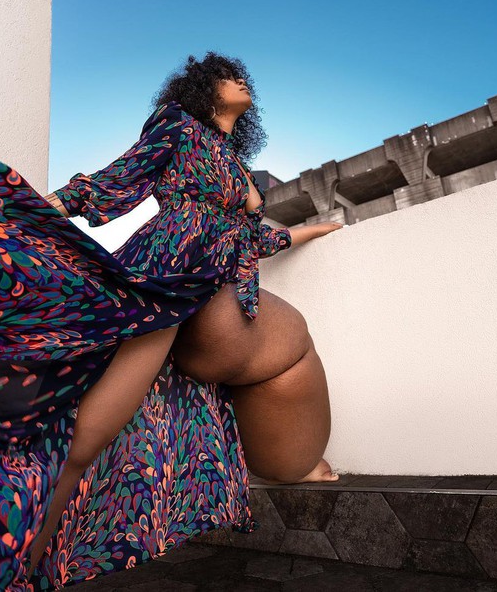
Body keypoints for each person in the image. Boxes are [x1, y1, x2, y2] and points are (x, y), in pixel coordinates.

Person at [30, 51, 341, 572]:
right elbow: (117, 178)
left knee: (104, 429)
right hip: (167, 272)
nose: (241, 80)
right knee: (87, 436)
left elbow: (247, 239)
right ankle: (17, 564)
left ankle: (26, 560)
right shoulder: (178, 124)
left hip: (210, 285)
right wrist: (37, 209)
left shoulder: (235, 163)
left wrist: (311, 230)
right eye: (228, 76)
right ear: (204, 90)